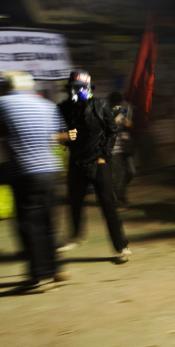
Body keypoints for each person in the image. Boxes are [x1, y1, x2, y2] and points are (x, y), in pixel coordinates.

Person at [0, 71, 71, 290]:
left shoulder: (2, 103)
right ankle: (55, 269)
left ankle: (40, 276)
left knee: (29, 224)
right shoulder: (46, 105)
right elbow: (56, 136)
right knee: (49, 222)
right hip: (50, 171)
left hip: (24, 172)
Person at [57, 70, 131, 263]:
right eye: (73, 88)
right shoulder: (65, 108)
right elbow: (59, 131)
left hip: (98, 164)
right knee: (74, 202)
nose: (76, 92)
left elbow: (111, 131)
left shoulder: (100, 105)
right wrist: (65, 137)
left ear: (88, 88)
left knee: (108, 206)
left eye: (80, 88)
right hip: (77, 162)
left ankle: (121, 246)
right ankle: (76, 236)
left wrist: (103, 156)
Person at [108, 92, 135, 205]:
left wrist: (125, 119)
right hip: (114, 148)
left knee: (131, 172)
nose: (119, 105)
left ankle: (119, 194)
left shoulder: (123, 111)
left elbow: (129, 125)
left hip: (126, 147)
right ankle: (119, 197)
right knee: (118, 174)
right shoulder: (106, 112)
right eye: (117, 103)